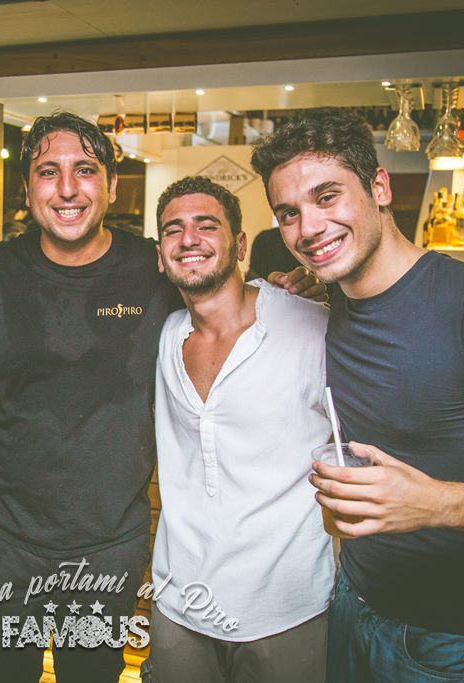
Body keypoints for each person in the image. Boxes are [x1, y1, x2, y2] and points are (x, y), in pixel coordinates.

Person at [0, 112, 324, 683]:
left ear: (110, 184)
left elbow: (222, 290)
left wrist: (291, 288)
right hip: (3, 546)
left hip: (108, 550)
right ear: (27, 189)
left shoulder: (154, 267)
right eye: (48, 172)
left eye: (85, 170)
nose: (67, 188)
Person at [251, 108, 464, 682]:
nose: (308, 228)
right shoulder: (328, 304)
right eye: (289, 213)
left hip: (455, 639)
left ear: (379, 187)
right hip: (350, 603)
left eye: (327, 197)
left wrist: (435, 504)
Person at [148, 176, 332, 682]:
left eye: (207, 226)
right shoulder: (165, 336)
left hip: (285, 607)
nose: (189, 239)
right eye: (173, 230)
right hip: (180, 600)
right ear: (160, 255)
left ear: (241, 244)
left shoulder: (311, 327)